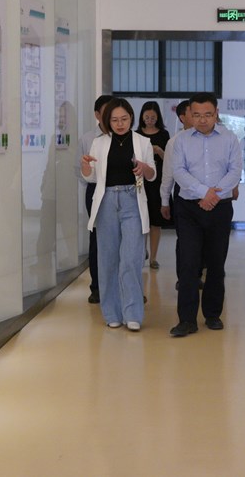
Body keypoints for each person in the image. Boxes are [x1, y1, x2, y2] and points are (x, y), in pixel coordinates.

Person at [167, 93, 242, 337]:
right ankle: (186, 320)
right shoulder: (181, 140)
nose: (202, 120)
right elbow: (179, 171)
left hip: (219, 208)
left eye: (208, 115)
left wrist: (214, 196)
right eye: (197, 115)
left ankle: (212, 314)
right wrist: (204, 192)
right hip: (189, 208)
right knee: (188, 264)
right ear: (189, 114)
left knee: (216, 263)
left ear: (216, 113)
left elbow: (235, 171)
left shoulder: (230, 138)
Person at [81, 98, 157, 331]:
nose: (120, 123)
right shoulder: (99, 142)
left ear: (131, 118)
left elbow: (152, 174)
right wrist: (86, 167)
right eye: (114, 120)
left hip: (132, 199)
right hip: (106, 201)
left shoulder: (142, 141)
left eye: (124, 119)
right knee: (108, 259)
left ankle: (133, 313)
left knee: (131, 258)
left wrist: (144, 168)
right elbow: (91, 177)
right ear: (107, 121)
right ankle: (112, 312)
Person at [79, 95, 112, 304]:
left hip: (121, 190)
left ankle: (122, 286)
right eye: (106, 112)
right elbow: (81, 170)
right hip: (95, 190)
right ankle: (97, 287)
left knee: (122, 240)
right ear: (97, 115)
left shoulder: (127, 136)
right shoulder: (88, 138)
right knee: (97, 239)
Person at [136, 100, 172, 269]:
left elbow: (169, 160)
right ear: (142, 117)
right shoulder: (136, 134)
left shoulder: (164, 135)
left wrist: (159, 151)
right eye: (147, 117)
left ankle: (153, 257)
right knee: (140, 219)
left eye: (153, 117)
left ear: (158, 118)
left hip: (157, 182)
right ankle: (142, 252)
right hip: (140, 181)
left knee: (155, 221)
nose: (149, 120)